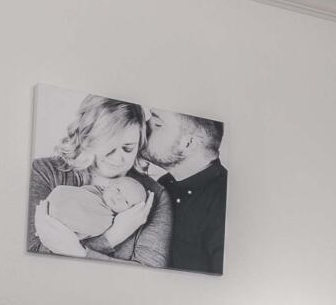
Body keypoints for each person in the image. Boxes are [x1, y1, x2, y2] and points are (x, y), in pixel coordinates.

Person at [30, 95, 167, 264]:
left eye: (128, 148)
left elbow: (150, 273)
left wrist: (77, 251)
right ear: (88, 138)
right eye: (109, 147)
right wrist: (111, 237)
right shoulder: (45, 171)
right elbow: (32, 252)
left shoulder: (154, 195)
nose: (118, 159)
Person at [142, 111, 228, 275]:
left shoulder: (225, 205)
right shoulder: (163, 184)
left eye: (158, 124)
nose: (144, 126)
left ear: (188, 143)